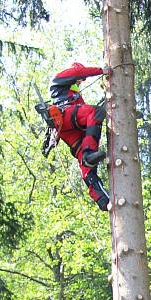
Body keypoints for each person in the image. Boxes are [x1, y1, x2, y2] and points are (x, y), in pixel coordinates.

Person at [50, 62, 112, 211]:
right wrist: (101, 71)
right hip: (64, 116)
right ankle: (88, 153)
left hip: (69, 130)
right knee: (94, 112)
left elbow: (86, 122)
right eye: (78, 81)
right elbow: (78, 71)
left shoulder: (76, 97)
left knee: (86, 165)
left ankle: (102, 199)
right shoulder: (59, 79)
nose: (79, 83)